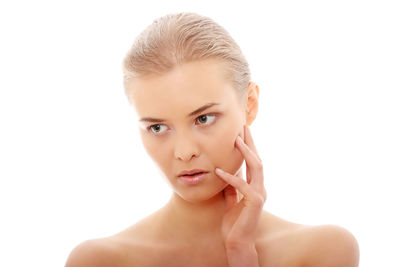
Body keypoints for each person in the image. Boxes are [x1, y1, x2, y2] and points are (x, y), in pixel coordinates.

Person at [65, 12, 359, 267]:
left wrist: (242, 254)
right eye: (157, 128)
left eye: (203, 119)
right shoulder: (99, 261)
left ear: (250, 104)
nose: (184, 153)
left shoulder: (324, 251)